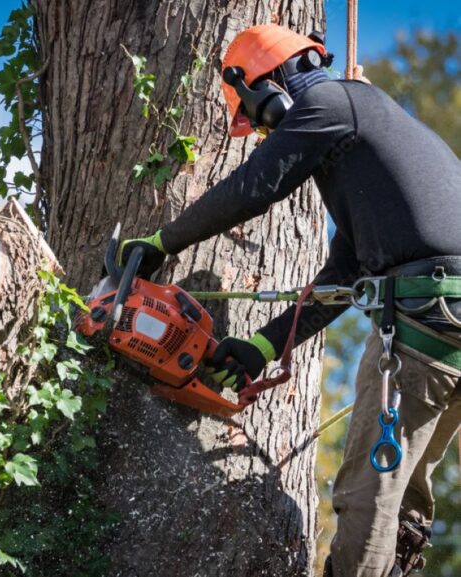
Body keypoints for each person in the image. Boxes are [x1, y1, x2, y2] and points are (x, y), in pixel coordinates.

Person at [118, 24, 461, 577]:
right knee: (406, 500)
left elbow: (256, 185)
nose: (259, 134)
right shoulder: (366, 135)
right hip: (449, 334)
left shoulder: (328, 103)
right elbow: (345, 276)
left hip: (423, 327)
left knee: (366, 500)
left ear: (264, 90)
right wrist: (260, 346)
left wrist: (162, 242)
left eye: (254, 121)